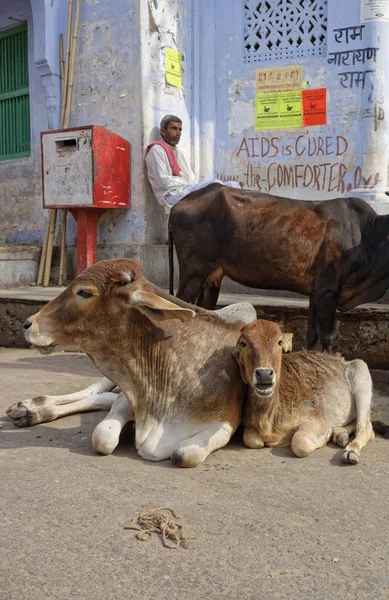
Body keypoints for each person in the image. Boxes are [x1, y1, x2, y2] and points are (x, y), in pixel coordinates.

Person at [146, 114, 241, 214]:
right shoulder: (157, 150)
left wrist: (193, 184)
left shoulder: (178, 152)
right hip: (170, 194)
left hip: (185, 189)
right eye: (174, 128)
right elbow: (163, 181)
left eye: (180, 129)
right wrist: (188, 182)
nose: (178, 133)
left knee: (232, 185)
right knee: (215, 185)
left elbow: (190, 176)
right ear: (163, 131)